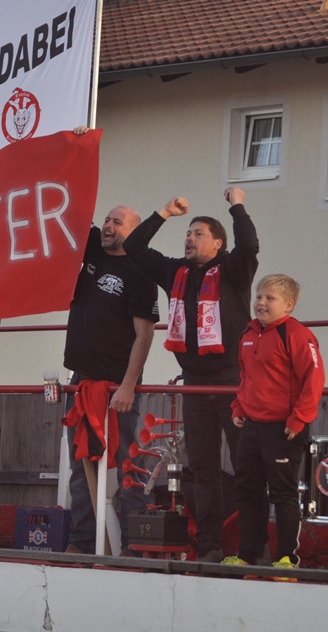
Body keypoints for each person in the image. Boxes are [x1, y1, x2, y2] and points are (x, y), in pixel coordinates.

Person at [123, 186, 259, 562]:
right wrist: (164, 213)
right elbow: (134, 247)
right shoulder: (175, 272)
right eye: (188, 233)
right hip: (196, 387)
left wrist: (237, 206)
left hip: (234, 384)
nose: (189, 238)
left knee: (247, 467)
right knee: (202, 471)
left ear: (217, 244)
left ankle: (253, 548)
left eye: (198, 233)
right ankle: (210, 547)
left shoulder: (232, 269)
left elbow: (249, 245)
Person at [61, 206, 159, 555]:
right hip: (81, 381)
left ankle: (134, 547)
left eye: (117, 222)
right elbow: (70, 209)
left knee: (127, 465)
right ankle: (82, 541)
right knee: (80, 464)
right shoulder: (91, 249)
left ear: (133, 232)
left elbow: (144, 334)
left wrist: (129, 385)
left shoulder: (140, 272)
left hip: (118, 386)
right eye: (107, 219)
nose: (108, 225)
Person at [222, 275, 324, 571]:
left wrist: (299, 419)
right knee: (247, 490)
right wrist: (239, 406)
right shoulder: (248, 332)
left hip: (284, 429)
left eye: (270, 298)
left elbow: (314, 379)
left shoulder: (297, 334)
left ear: (288, 306)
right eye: (259, 296)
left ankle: (286, 559)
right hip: (251, 427)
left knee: (283, 494)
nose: (261, 303)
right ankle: (248, 555)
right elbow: (246, 377)